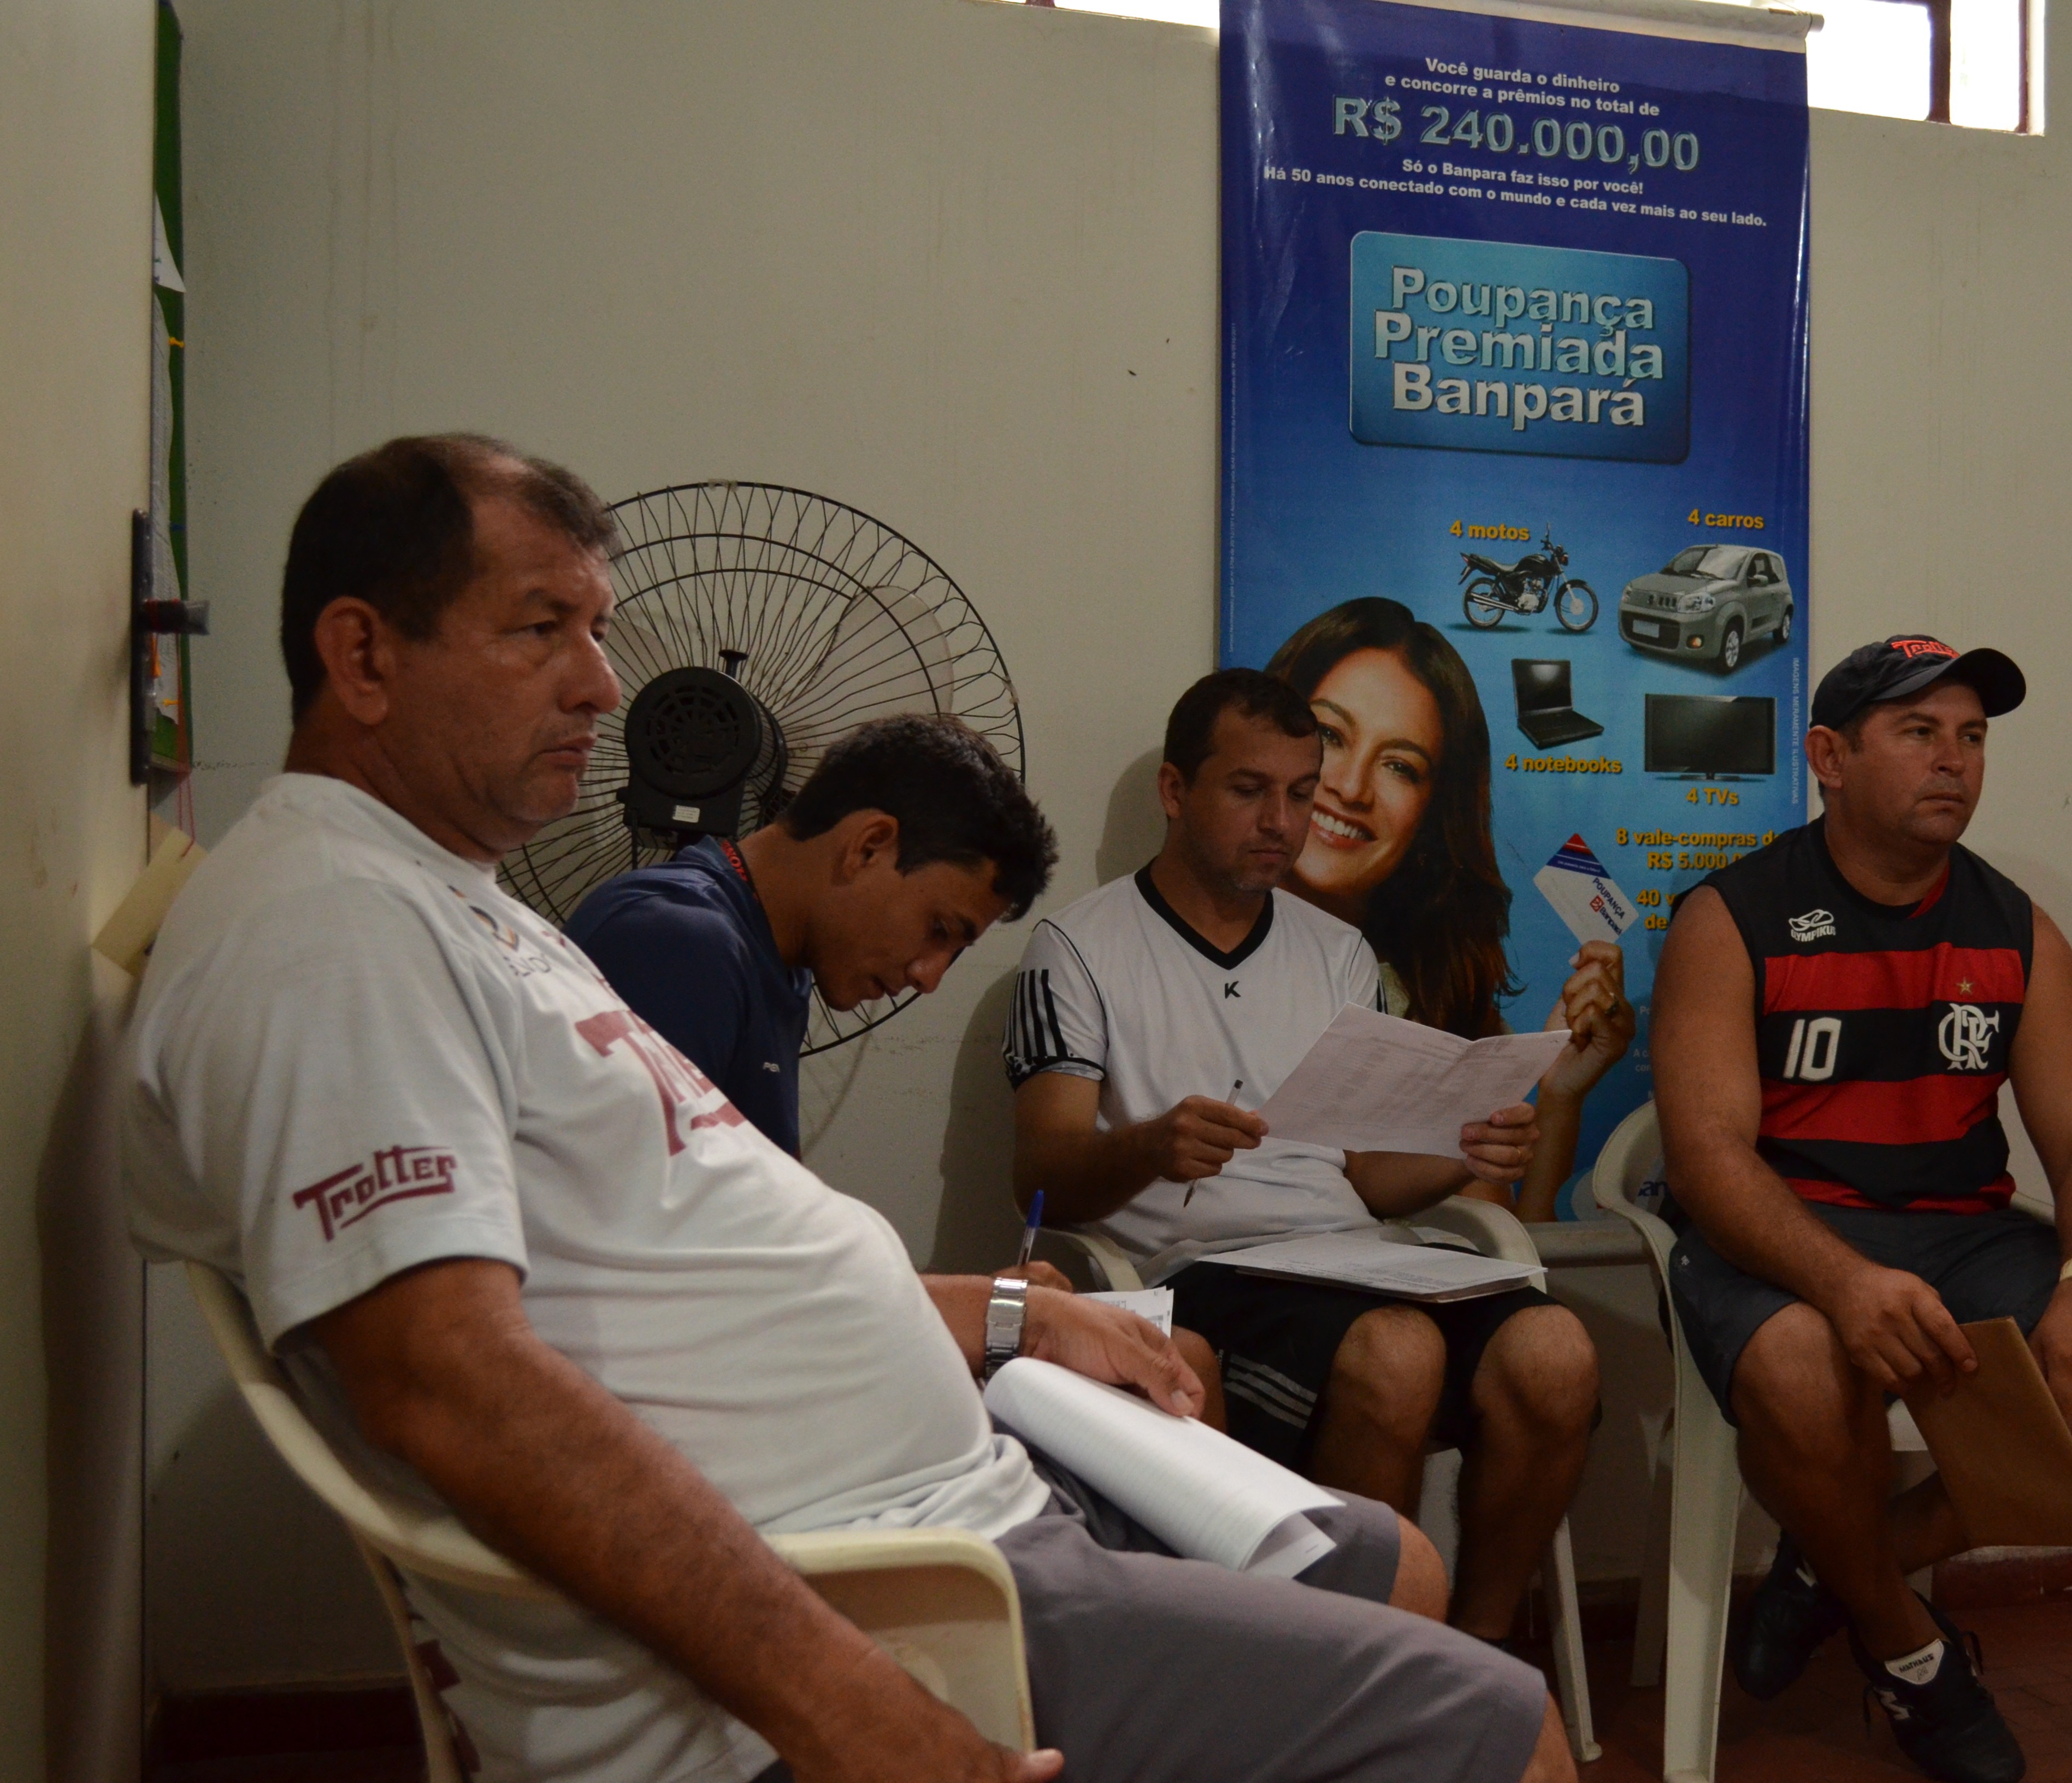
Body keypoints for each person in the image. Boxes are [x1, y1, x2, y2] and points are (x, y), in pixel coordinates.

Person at [126, 435, 1576, 1783]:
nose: (603, 686)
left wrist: (1022, 1318)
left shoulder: (468, 912)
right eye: (538, 629)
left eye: (598, 631)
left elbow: (685, 1268)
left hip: (954, 1494)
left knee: (1393, 1566)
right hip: (893, 1594)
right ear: (362, 655)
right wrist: (853, 1708)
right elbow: (450, 1386)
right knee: (1508, 1731)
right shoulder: (331, 933)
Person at [1650, 634, 2072, 1783]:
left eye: (1971, 738)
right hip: (1782, 1232)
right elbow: (1709, 1158)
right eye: (1918, 734)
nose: (1953, 762)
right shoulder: (1733, 915)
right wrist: (1842, 1281)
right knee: (1807, 1365)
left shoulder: (2014, 927)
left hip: (1960, 1233)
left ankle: (1838, 1565)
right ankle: (1907, 1652)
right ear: (1828, 756)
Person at [1004, 669, 1599, 1643]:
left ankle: (1470, 1655)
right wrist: (1151, 1146)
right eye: (1248, 789)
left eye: (1298, 791)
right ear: (1174, 790)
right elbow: (1040, 1174)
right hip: (1196, 1272)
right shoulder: (1077, 946)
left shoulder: (1336, 951)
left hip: (1350, 1257)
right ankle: (1339, 1671)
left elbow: (1364, 1175)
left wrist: (1460, 1153)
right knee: (1397, 1350)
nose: (1281, 819)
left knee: (1557, 1350)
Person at [1265, 597, 1634, 1220]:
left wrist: (1558, 1097)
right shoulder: (1191, 959)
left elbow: (1506, 1248)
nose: (1351, 788)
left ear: (1434, 814)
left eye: (1399, 767)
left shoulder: (1443, 1009)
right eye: (1330, 735)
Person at [566, 716, 1054, 1159]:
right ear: (868, 847)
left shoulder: (783, 963)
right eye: (939, 930)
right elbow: (635, 1238)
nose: (929, 978)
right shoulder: (675, 941)